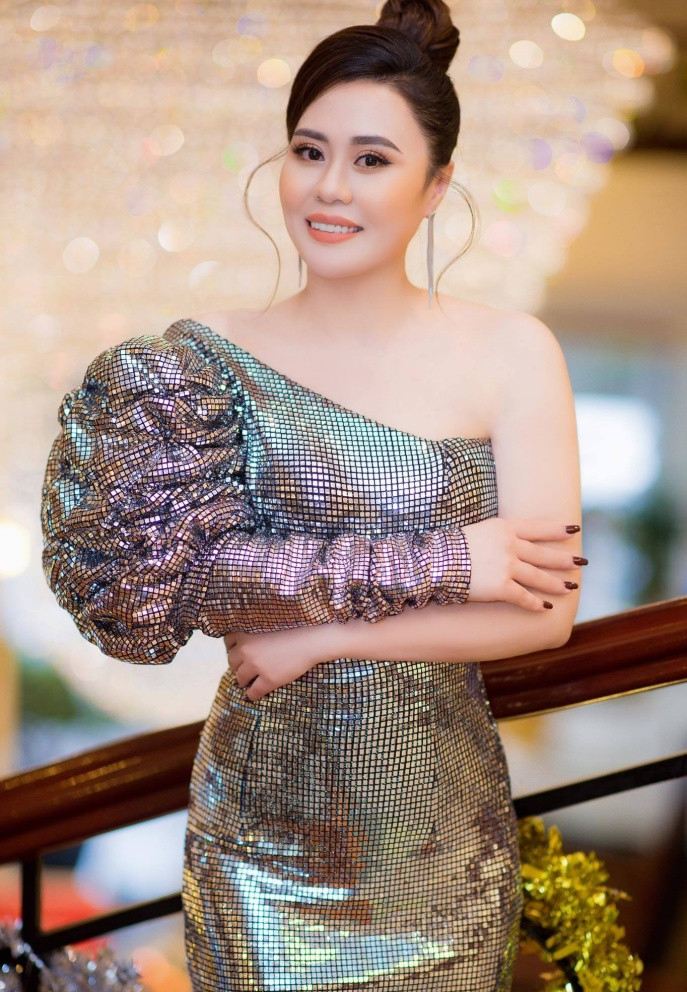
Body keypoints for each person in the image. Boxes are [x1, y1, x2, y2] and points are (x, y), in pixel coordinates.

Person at [40, 1, 584, 989]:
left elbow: (544, 612)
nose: (330, 186)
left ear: (436, 185)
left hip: (436, 842)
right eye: (309, 150)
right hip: (259, 842)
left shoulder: (512, 352)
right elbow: (201, 579)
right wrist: (458, 561)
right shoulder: (204, 359)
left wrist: (322, 637)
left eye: (372, 159)